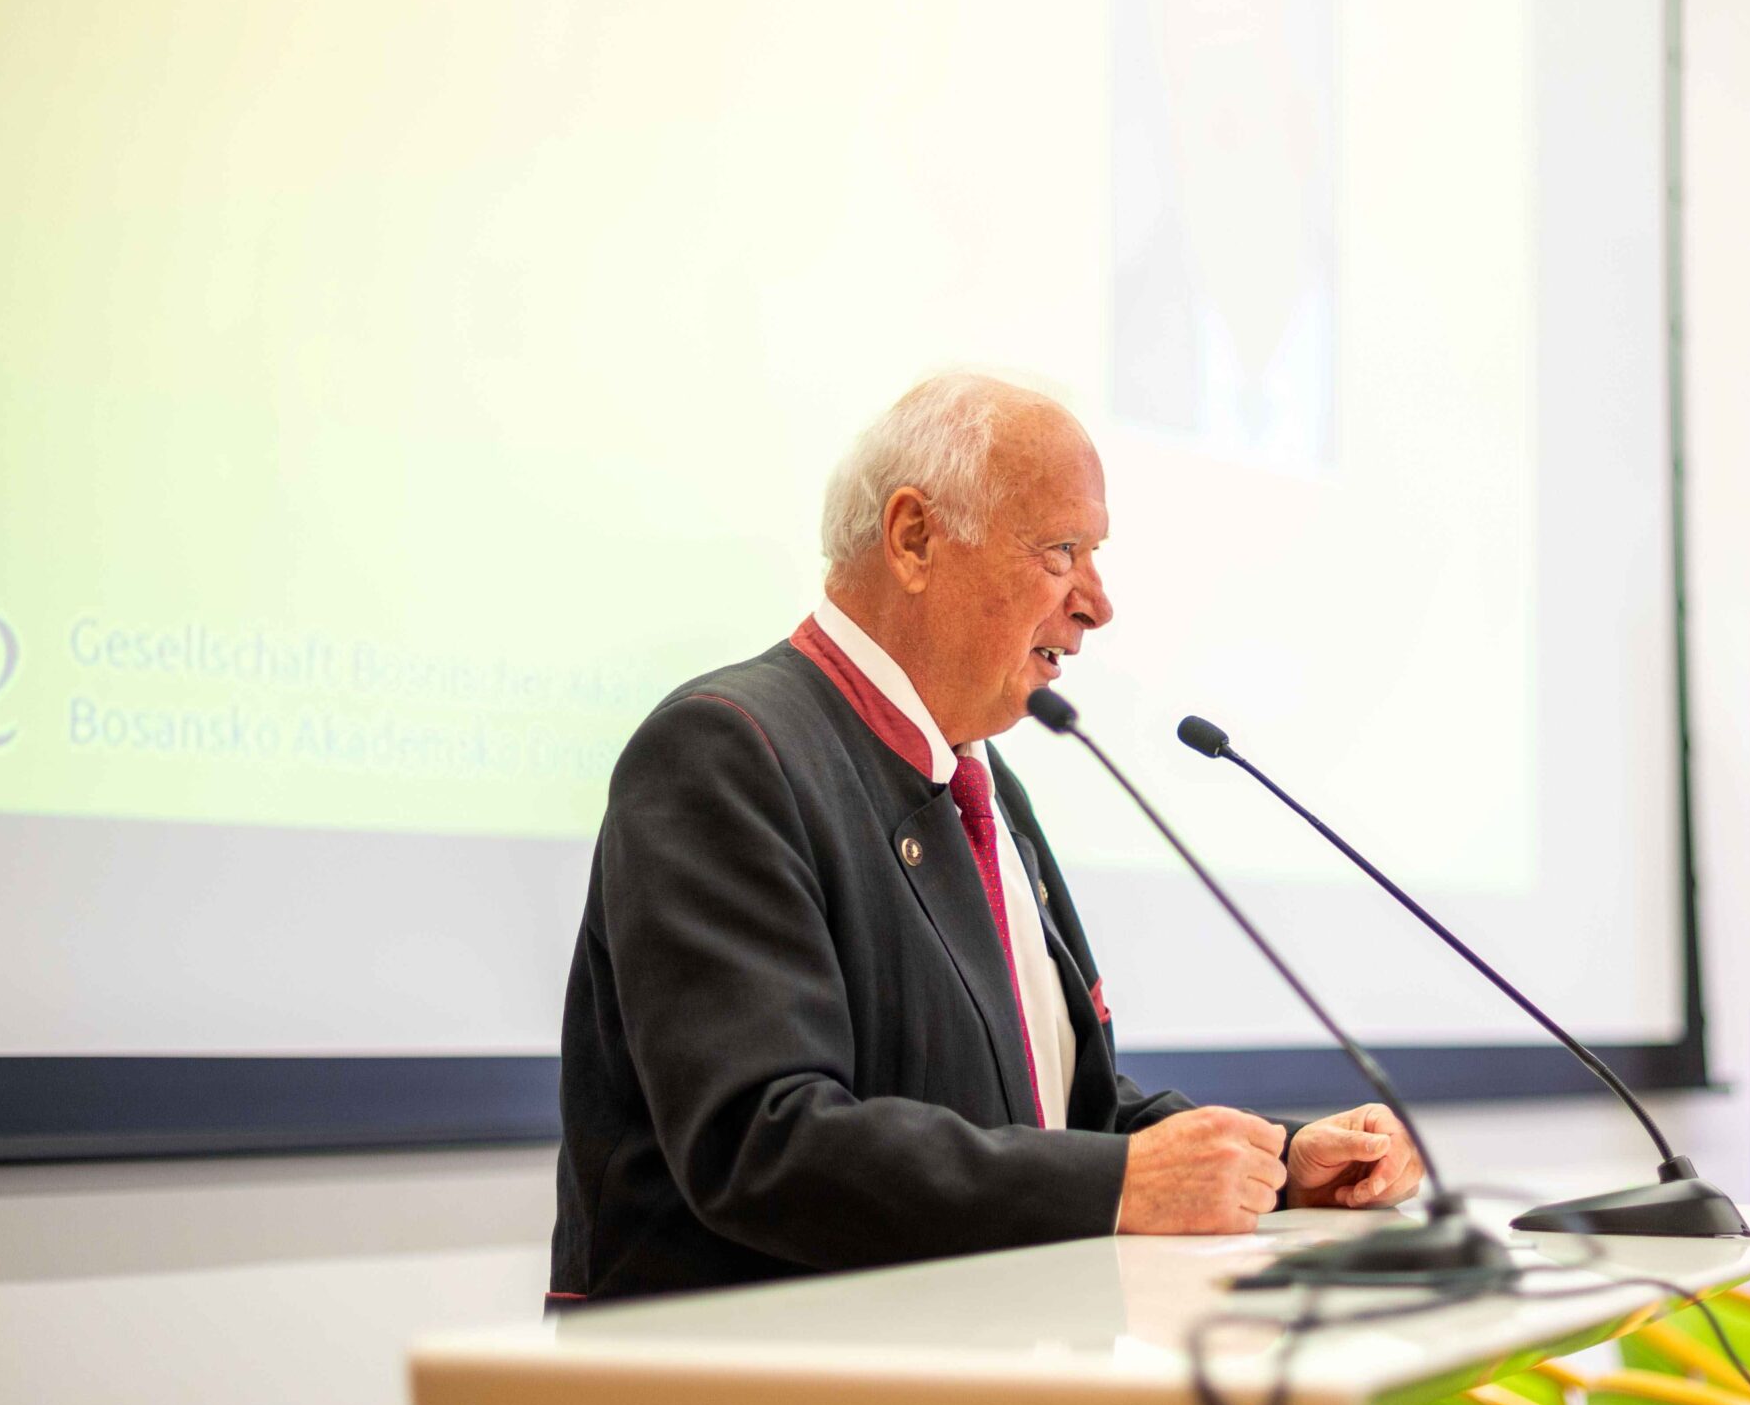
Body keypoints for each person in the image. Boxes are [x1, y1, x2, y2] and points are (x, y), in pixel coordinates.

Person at [550, 373, 1425, 1301]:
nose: (1097, 603)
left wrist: (1282, 1162)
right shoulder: (724, 752)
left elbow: (1057, 1115)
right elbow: (763, 1143)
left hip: (963, 1353)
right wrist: (1120, 1183)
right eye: (1062, 551)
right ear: (914, 538)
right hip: (735, 1373)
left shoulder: (981, 776)